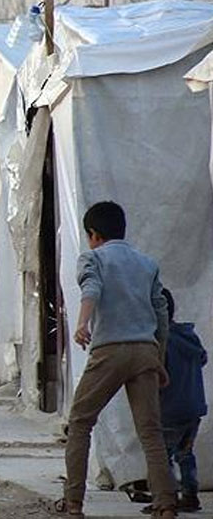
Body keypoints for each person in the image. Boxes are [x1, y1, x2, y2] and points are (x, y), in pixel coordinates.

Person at [59, 201, 175, 519]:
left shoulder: (92, 258)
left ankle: (73, 503)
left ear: (93, 234)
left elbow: (92, 288)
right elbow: (160, 312)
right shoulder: (146, 263)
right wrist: (159, 357)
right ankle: (166, 503)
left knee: (81, 423)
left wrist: (82, 323)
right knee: (151, 431)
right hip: (144, 351)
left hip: (109, 350)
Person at [143, 289, 206, 514]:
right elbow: (202, 358)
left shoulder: (160, 341)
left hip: (170, 409)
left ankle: (164, 498)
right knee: (185, 454)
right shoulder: (189, 335)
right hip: (194, 408)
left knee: (161, 456)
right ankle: (190, 495)